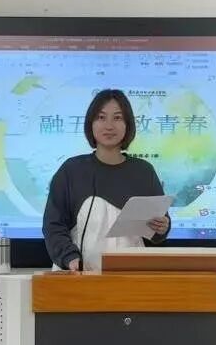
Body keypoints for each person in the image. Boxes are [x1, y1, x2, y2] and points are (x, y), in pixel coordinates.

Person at [42, 89, 171, 271]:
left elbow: (158, 231)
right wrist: (70, 259)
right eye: (101, 118)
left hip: (130, 275)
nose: (109, 126)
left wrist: (162, 227)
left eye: (117, 118)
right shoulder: (71, 170)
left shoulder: (143, 171)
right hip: (77, 275)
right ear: (91, 123)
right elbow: (53, 226)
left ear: (127, 124)